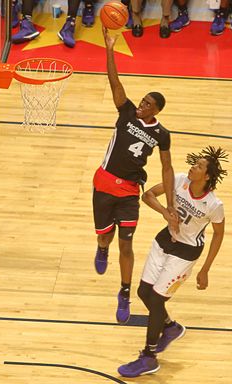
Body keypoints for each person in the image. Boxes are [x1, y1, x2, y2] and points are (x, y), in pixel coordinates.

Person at [118, 146, 228, 377]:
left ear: (206, 176)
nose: (192, 166)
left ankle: (149, 357)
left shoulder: (214, 205)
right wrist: (165, 212)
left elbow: (218, 234)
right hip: (164, 240)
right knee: (143, 292)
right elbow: (147, 195)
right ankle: (170, 327)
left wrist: (205, 269)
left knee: (157, 300)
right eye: (194, 163)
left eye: (198, 166)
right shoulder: (179, 181)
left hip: (186, 253)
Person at [93, 27, 178, 325]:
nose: (141, 106)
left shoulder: (162, 135)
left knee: (126, 245)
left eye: (147, 105)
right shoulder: (126, 112)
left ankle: (124, 293)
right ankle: (101, 247)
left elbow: (167, 169)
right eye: (141, 102)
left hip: (129, 191)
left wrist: (171, 206)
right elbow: (113, 80)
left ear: (157, 111)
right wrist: (109, 47)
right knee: (106, 236)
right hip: (104, 183)